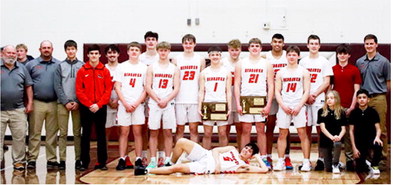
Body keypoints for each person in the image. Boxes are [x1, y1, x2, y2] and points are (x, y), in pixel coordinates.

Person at [234, 38, 274, 168]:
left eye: (257, 46)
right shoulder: (241, 63)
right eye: (252, 46)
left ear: (261, 48)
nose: (255, 48)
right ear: (248, 48)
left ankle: (263, 158)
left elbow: (271, 85)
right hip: (245, 99)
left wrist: (268, 104)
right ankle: (243, 159)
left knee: (260, 129)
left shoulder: (266, 63)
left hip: (260, 100)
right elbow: (236, 84)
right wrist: (238, 103)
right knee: (245, 129)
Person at [134, 138, 268, 175]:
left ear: (250, 156)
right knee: (181, 142)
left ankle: (145, 171)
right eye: (246, 147)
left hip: (206, 167)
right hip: (206, 154)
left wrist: (258, 158)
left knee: (178, 168)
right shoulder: (232, 148)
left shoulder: (243, 166)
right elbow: (215, 150)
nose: (246, 150)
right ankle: (169, 163)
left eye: (250, 151)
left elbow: (264, 170)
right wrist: (218, 164)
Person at [273, 46, 311, 172]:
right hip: (284, 106)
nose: (291, 57)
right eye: (289, 55)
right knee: (282, 134)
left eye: (294, 55)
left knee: (302, 133)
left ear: (298, 56)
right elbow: (277, 91)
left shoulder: (304, 71)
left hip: (299, 105)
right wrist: (283, 105)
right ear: (286, 56)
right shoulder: (280, 72)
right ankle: (280, 161)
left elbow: (307, 91)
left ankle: (306, 161)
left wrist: (300, 105)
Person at [299, 35, 333, 170]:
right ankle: (306, 159)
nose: (313, 46)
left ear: (319, 46)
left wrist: (314, 94)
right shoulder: (302, 62)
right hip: (305, 100)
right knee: (305, 130)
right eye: (311, 43)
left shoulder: (324, 62)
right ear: (307, 45)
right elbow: (299, 80)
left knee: (321, 130)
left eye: (316, 44)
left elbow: (327, 82)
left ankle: (321, 158)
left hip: (319, 100)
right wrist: (306, 95)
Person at [25, 40, 61, 169]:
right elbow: (26, 84)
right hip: (37, 102)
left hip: (53, 103)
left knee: (52, 133)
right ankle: (32, 159)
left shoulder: (58, 64)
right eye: (44, 48)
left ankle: (51, 159)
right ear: (40, 49)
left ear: (52, 49)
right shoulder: (31, 64)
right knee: (35, 132)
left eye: (48, 48)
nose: (46, 49)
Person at [76, 44, 112, 171]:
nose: (94, 56)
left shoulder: (105, 70)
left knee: (101, 135)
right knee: (85, 135)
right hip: (87, 107)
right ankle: (84, 162)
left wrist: (99, 104)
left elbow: (108, 90)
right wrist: (89, 104)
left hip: (100, 107)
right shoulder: (82, 70)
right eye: (91, 54)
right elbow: (79, 90)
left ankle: (102, 162)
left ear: (100, 55)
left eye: (96, 54)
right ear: (88, 55)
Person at [355, 34, 390, 163]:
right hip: (364, 99)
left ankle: (382, 156)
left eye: (371, 44)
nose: (369, 46)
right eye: (367, 44)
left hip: (379, 97)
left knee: (380, 127)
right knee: (365, 128)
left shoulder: (384, 62)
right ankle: (368, 156)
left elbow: (388, 82)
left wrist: (381, 95)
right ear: (364, 45)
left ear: (376, 45)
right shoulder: (360, 62)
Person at [145, 41, 180, 169]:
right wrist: (158, 99)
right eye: (161, 50)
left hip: (168, 103)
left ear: (169, 51)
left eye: (165, 50)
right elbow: (148, 86)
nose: (163, 53)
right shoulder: (152, 67)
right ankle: (153, 160)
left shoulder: (174, 68)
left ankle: (167, 159)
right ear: (158, 51)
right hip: (155, 103)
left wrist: (165, 100)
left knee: (168, 132)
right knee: (153, 132)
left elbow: (176, 88)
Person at [114, 42, 147, 170]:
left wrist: (136, 103)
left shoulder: (144, 68)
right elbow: (117, 86)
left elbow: (145, 88)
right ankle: (122, 158)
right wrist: (125, 103)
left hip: (137, 104)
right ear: (127, 52)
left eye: (136, 50)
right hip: (124, 104)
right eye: (132, 50)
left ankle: (138, 159)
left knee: (138, 132)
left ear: (140, 52)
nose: (134, 52)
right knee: (124, 132)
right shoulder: (121, 67)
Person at [263, 33, 293, 169]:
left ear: (283, 43)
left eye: (279, 42)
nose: (277, 44)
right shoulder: (265, 57)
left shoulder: (288, 55)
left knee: (285, 129)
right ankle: (268, 156)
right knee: (269, 127)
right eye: (274, 41)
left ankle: (286, 157)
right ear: (271, 43)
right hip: (270, 96)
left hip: (285, 96)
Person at [0, 45, 33, 170]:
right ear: (3, 53)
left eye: (14, 53)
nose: (12, 55)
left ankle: (19, 162)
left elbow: (28, 86)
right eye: (9, 53)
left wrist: (30, 103)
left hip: (18, 110)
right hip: (0, 111)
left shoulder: (22, 68)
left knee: (19, 138)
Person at [54, 40, 84, 170]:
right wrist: (65, 101)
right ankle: (62, 159)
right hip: (62, 104)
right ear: (65, 51)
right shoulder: (60, 66)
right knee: (63, 133)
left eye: (73, 49)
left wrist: (77, 101)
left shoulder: (82, 66)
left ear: (76, 50)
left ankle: (78, 159)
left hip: (78, 103)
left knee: (77, 133)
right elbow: (57, 85)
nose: (71, 51)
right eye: (68, 49)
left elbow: (83, 85)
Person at [331, 44, 362, 171]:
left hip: (350, 106)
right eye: (340, 53)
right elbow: (330, 89)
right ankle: (335, 161)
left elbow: (357, 90)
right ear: (337, 55)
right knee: (336, 134)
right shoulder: (332, 69)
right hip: (336, 107)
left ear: (349, 55)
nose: (342, 56)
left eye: (345, 53)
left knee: (350, 134)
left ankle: (349, 160)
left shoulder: (354, 70)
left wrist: (352, 106)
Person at [173, 34, 206, 143]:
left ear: (194, 44)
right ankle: (178, 155)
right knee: (180, 129)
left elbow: (202, 81)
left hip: (195, 98)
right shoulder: (176, 59)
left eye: (190, 43)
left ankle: (194, 154)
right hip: (179, 98)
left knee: (193, 129)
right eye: (186, 43)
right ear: (182, 44)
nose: (188, 46)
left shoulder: (200, 59)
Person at [198, 46, 232, 149]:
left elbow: (228, 91)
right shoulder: (204, 72)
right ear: (209, 56)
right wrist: (200, 106)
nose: (215, 57)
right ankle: (206, 157)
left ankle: (223, 156)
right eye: (213, 55)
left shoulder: (226, 72)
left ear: (220, 56)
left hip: (222, 103)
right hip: (208, 103)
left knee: (222, 133)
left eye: (217, 55)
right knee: (207, 133)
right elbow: (201, 91)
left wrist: (229, 107)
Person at [139, 31, 161, 166]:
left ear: (157, 42)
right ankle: (143, 155)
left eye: (153, 39)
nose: (151, 42)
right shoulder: (140, 58)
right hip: (142, 95)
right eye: (148, 39)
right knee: (143, 127)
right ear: (145, 42)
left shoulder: (161, 57)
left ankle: (162, 155)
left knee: (160, 127)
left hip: (157, 95)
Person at [349, 89, 383, 174]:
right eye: (359, 98)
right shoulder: (354, 113)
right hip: (359, 141)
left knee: (378, 144)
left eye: (364, 97)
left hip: (371, 139)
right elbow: (351, 131)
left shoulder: (373, 112)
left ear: (368, 99)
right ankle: (365, 162)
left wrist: (377, 137)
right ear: (356, 100)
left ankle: (374, 165)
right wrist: (354, 148)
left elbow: (378, 128)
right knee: (360, 169)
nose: (362, 99)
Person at [318, 90, 346, 173]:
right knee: (328, 169)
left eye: (331, 98)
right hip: (325, 139)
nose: (329, 100)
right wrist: (331, 137)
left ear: (336, 99)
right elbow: (323, 128)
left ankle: (336, 164)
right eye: (327, 98)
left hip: (337, 139)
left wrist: (339, 137)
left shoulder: (341, 112)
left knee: (337, 144)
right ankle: (334, 163)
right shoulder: (321, 111)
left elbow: (343, 129)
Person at [222, 39, 242, 149]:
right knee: (225, 128)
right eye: (232, 50)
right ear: (228, 50)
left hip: (239, 98)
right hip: (226, 97)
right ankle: (225, 153)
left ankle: (240, 153)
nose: (234, 52)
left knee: (240, 128)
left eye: (237, 50)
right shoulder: (222, 62)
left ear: (240, 50)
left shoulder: (244, 62)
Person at [104, 44, 120, 148]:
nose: (112, 55)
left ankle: (123, 157)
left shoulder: (123, 68)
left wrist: (118, 100)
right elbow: (100, 88)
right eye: (109, 53)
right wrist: (108, 101)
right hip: (106, 104)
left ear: (118, 54)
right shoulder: (103, 68)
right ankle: (103, 157)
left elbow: (125, 87)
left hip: (120, 104)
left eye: (114, 52)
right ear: (105, 55)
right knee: (106, 131)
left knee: (122, 132)